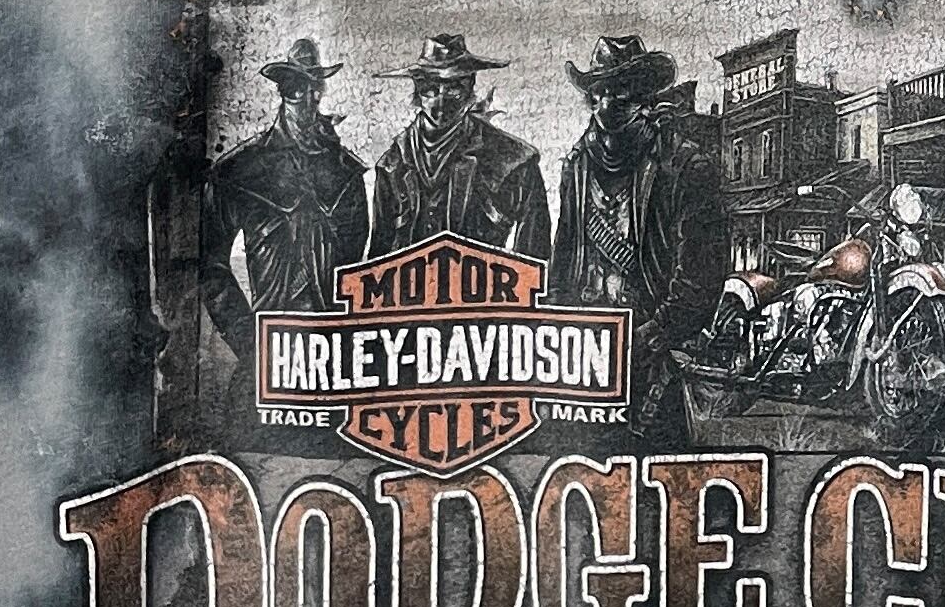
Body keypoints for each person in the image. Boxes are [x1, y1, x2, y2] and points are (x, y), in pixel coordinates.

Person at [552, 36, 727, 435]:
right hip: (586, 355)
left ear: (644, 99)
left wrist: (654, 335)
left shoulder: (685, 166)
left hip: (652, 358)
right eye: (600, 92)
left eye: (621, 91)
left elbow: (701, 275)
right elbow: (563, 258)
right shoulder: (576, 168)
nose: (608, 104)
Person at [198, 37, 368, 355]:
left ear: (320, 92)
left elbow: (355, 268)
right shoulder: (240, 169)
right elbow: (210, 265)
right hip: (271, 344)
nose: (307, 99)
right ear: (283, 92)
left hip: (334, 346)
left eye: (314, 87)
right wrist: (249, 341)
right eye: (296, 88)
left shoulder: (346, 172)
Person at [366, 34, 549, 262]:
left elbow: (535, 258)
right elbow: (378, 259)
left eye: (454, 88)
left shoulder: (511, 159)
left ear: (470, 87)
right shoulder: (393, 164)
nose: (441, 100)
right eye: (431, 88)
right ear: (417, 91)